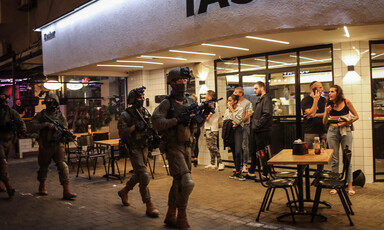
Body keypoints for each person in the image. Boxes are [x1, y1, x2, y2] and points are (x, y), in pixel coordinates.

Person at [152, 67, 210, 229]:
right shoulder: (167, 103)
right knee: (187, 183)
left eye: (185, 80)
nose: (183, 83)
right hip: (173, 146)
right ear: (172, 83)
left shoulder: (190, 101)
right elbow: (156, 122)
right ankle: (182, 215)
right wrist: (177, 120)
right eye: (179, 80)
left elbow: (197, 123)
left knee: (178, 182)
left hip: (188, 146)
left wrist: (205, 114)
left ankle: (171, 214)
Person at [117, 86, 159, 218]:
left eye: (142, 97)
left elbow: (151, 126)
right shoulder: (126, 114)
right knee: (144, 175)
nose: (142, 99)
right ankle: (149, 204)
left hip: (144, 146)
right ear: (133, 99)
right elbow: (122, 133)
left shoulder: (145, 112)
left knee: (139, 174)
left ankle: (124, 191)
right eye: (139, 97)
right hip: (133, 147)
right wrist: (134, 127)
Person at [30, 93, 77, 200]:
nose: (49, 101)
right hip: (46, 146)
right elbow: (31, 126)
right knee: (43, 167)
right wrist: (45, 125)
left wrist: (67, 135)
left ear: (55, 102)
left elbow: (65, 128)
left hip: (58, 145)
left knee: (63, 167)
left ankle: (66, 190)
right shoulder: (41, 115)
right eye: (48, 100)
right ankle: (42, 185)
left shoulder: (60, 116)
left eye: (51, 100)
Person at [323, 85, 359, 195]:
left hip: (345, 130)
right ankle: (335, 185)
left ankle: (350, 186)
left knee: (347, 158)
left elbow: (356, 116)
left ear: (338, 93)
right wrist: (326, 112)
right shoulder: (328, 104)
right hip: (332, 131)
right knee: (334, 160)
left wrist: (346, 123)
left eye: (332, 91)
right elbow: (324, 122)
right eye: (329, 92)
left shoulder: (346, 102)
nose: (329, 93)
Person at [0, 88, 27, 197]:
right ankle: (8, 185)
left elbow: (20, 122)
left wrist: (23, 131)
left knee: (3, 162)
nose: (1, 98)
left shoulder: (10, 111)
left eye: (3, 96)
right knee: (2, 162)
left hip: (9, 140)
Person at [248, 81, 273, 179]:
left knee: (263, 153)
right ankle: (255, 172)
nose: (254, 90)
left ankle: (265, 174)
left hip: (262, 131)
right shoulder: (260, 100)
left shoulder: (266, 99)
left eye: (256, 88)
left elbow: (267, 114)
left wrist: (257, 124)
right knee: (256, 152)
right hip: (257, 130)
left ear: (262, 88)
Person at [224, 94, 245, 180]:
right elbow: (225, 120)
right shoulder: (226, 110)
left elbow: (238, 121)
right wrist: (232, 121)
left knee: (238, 151)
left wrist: (233, 111)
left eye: (230, 101)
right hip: (230, 131)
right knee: (233, 150)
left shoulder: (241, 109)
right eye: (228, 101)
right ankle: (236, 171)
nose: (228, 102)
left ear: (235, 101)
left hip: (238, 131)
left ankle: (239, 171)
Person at [302, 81, 327, 147]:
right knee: (310, 154)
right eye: (320, 87)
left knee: (324, 153)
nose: (322, 89)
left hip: (323, 130)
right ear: (313, 89)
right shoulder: (306, 100)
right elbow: (311, 112)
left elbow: (326, 114)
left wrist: (315, 115)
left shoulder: (323, 100)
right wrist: (315, 100)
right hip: (311, 131)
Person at [204, 90, 224, 171]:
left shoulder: (214, 104)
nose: (205, 97)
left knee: (213, 146)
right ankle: (212, 163)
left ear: (210, 97)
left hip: (213, 128)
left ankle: (221, 162)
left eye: (206, 95)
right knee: (210, 146)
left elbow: (207, 117)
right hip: (208, 127)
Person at [233, 87, 252, 173]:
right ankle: (238, 165)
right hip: (236, 127)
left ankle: (245, 164)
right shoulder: (234, 102)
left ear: (241, 93)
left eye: (236, 92)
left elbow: (247, 115)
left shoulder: (247, 103)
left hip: (244, 126)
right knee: (237, 146)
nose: (234, 93)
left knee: (244, 146)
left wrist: (238, 122)